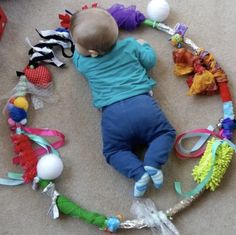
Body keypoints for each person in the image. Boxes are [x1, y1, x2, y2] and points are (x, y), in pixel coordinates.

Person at [70, 7, 176, 197]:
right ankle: (153, 162)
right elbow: (150, 61)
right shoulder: (130, 46)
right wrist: (143, 45)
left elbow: (76, 59)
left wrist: (79, 51)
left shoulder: (83, 62)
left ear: (92, 52)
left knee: (114, 152)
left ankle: (138, 173)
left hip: (113, 115)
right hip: (143, 106)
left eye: (75, 43)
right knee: (165, 133)